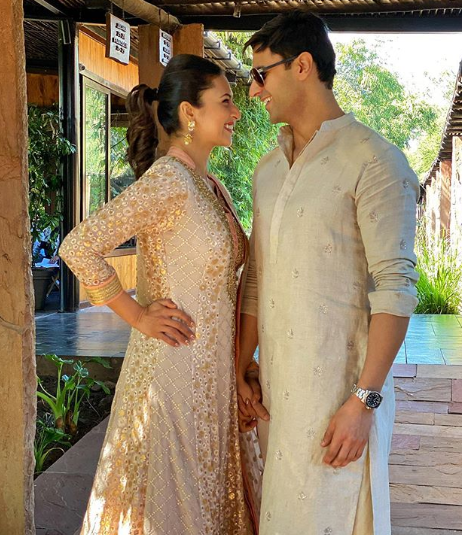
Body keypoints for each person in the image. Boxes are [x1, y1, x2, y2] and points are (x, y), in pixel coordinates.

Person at [60, 54, 261, 535]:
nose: (235, 113)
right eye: (225, 101)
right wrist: (137, 315)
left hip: (210, 375)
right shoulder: (169, 179)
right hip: (172, 373)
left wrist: (240, 368)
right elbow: (79, 246)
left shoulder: (208, 184)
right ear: (190, 112)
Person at [237, 10, 420, 535]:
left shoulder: (374, 160)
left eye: (261, 74)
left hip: (341, 401)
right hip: (277, 395)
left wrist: (364, 402)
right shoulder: (268, 171)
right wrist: (241, 366)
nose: (253, 91)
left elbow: (396, 289)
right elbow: (258, 277)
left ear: (301, 66)